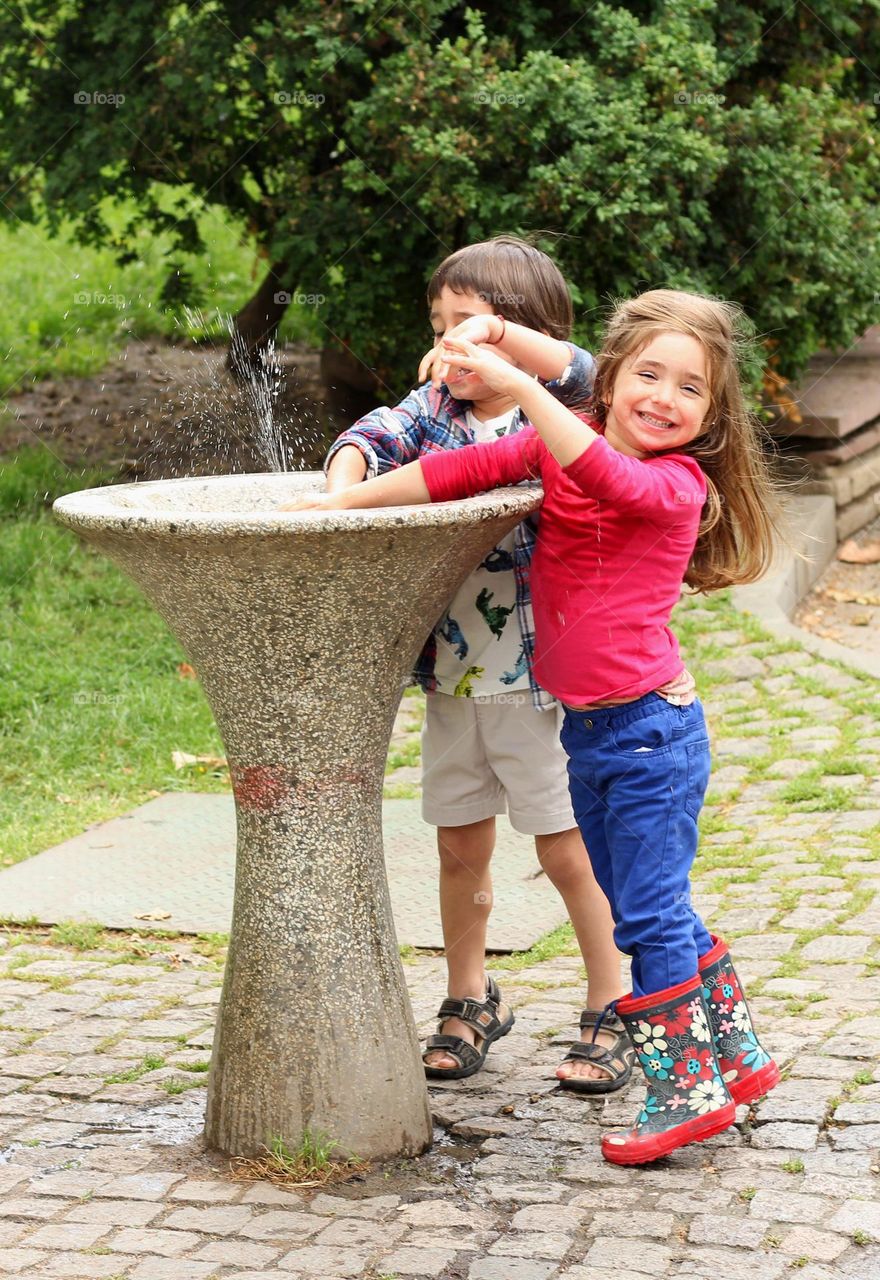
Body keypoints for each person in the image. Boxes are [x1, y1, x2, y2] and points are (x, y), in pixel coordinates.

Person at [282, 287, 783, 1164]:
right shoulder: (563, 447)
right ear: (614, 376)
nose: (664, 398)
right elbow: (456, 472)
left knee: (649, 918)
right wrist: (342, 508)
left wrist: (513, 371)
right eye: (650, 375)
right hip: (590, 734)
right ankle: (735, 1053)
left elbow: (598, 469)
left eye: (691, 389)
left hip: (649, 738)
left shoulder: (671, 483)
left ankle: (684, 1090)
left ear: (710, 416)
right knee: (650, 905)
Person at [314, 237, 630, 1094]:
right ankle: (469, 995)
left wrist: (504, 343)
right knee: (459, 846)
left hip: (541, 680)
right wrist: (340, 486)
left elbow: (586, 370)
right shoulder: (434, 410)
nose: (449, 344)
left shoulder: (561, 411)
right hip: (455, 676)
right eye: (440, 324)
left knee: (566, 850)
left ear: (518, 337)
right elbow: (369, 436)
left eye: (471, 328)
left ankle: (613, 1002)